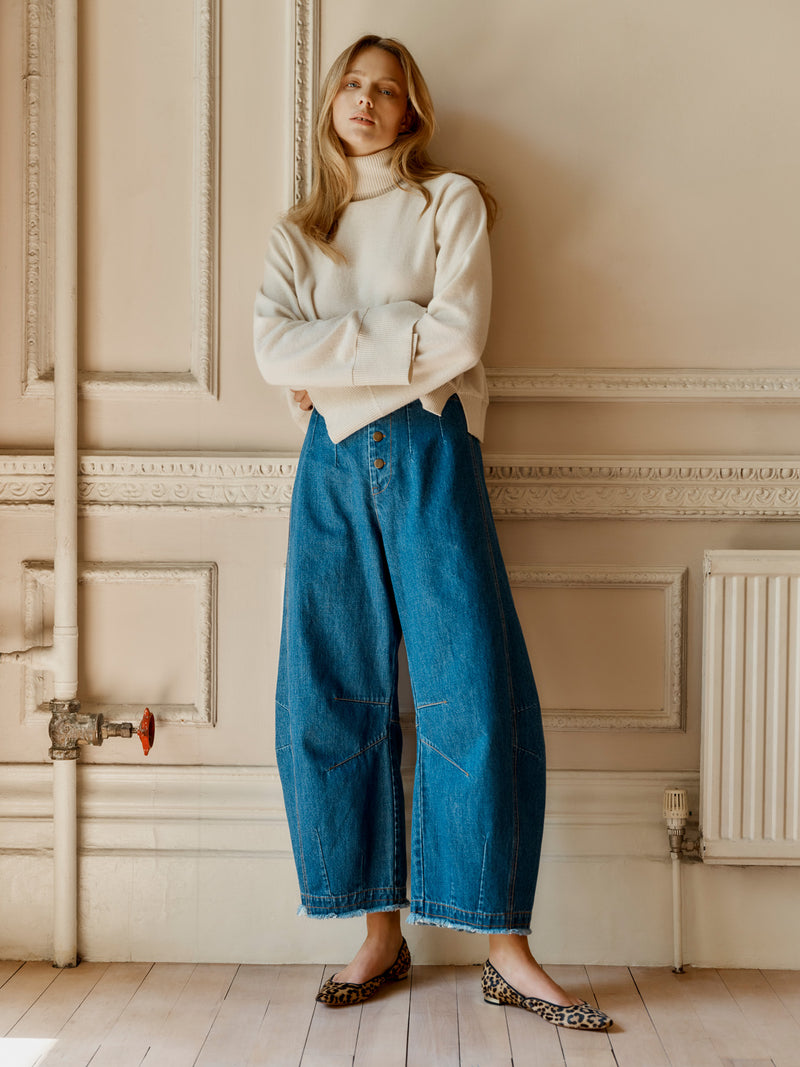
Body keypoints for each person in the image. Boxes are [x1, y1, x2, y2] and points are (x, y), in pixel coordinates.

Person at [253, 34, 611, 1032]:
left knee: (470, 690)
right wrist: (395, 338)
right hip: (327, 464)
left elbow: (459, 337)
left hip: (428, 447)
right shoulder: (300, 231)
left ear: (411, 110)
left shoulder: (448, 201)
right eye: (351, 87)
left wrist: (333, 365)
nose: (365, 102)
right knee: (328, 694)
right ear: (330, 103)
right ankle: (377, 929)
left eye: (386, 90)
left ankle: (503, 943)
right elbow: (266, 347)